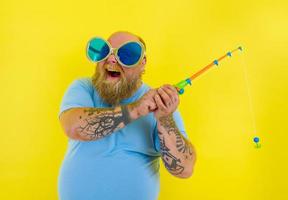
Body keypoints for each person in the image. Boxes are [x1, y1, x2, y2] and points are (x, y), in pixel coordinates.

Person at [58, 31, 196, 200]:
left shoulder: (161, 105)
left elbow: (184, 169)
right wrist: (136, 110)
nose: (112, 59)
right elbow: (73, 127)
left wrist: (165, 119)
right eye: (105, 51)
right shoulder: (84, 87)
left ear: (143, 63)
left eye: (127, 54)